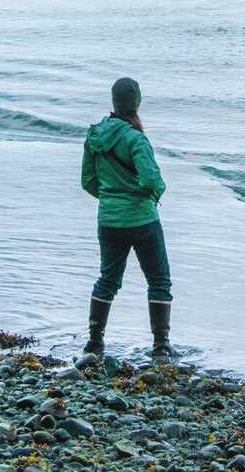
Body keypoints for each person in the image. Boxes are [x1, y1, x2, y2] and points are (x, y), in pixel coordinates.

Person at [81, 77, 173, 359]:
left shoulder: (94, 136)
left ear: (113, 101)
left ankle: (94, 344)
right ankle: (160, 346)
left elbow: (88, 181)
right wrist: (150, 193)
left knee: (107, 279)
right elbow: (152, 180)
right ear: (137, 103)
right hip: (142, 219)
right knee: (158, 281)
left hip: (108, 220)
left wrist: (111, 198)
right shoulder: (136, 139)